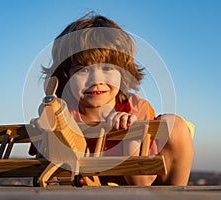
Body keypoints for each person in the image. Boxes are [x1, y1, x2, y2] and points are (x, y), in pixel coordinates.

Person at [29, 13, 194, 186]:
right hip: (83, 184)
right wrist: (45, 128)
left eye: (107, 68)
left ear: (123, 73)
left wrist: (131, 134)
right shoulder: (65, 114)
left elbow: (141, 182)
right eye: (83, 70)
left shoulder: (136, 108)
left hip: (135, 186)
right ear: (66, 76)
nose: (96, 80)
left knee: (174, 124)